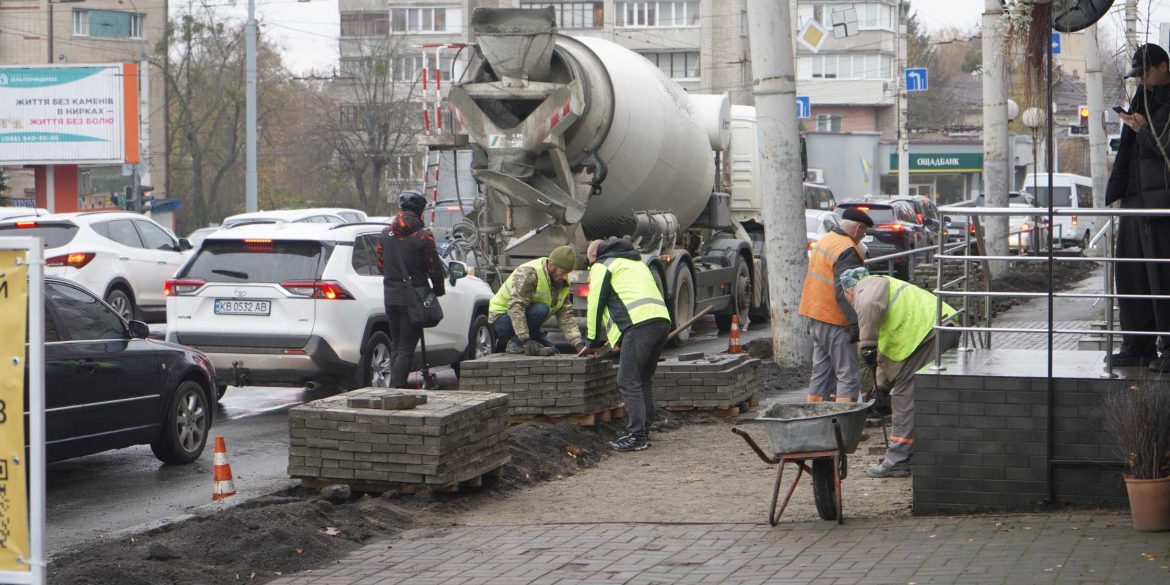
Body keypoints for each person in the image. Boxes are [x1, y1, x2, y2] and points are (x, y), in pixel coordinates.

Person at [839, 267, 960, 478]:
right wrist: (881, 388)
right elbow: (886, 354)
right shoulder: (886, 293)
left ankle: (897, 460)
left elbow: (868, 306)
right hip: (938, 328)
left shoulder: (867, 286)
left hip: (928, 333)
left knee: (904, 397)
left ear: (848, 292)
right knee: (921, 397)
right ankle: (914, 452)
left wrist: (867, 344)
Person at [1108, 43, 1170, 367]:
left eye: (1145, 72)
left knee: (1162, 277)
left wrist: (1142, 128)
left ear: (1163, 66)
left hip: (1160, 202)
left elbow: (1165, 145)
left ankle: (1167, 349)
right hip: (1134, 198)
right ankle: (1137, 345)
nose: (1141, 79)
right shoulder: (1142, 96)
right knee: (1131, 275)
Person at [578, 238, 671, 452]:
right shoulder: (636, 264)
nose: (591, 266)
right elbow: (629, 297)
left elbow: (595, 304)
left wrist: (592, 341)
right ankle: (644, 431)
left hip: (638, 326)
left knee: (627, 381)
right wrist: (620, 340)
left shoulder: (603, 265)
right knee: (643, 379)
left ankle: (637, 436)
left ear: (594, 256)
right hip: (661, 322)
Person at [797, 207, 873, 403]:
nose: (862, 237)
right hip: (837, 320)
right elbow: (845, 290)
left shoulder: (826, 240)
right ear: (858, 227)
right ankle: (846, 419)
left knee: (821, 372)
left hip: (816, 315)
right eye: (864, 232)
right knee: (848, 374)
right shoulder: (847, 250)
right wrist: (855, 323)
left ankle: (814, 415)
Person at [377, 190, 445, 388]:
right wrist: (438, 290)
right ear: (420, 212)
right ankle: (397, 389)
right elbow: (435, 269)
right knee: (406, 347)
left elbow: (381, 266)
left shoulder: (385, 234)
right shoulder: (423, 237)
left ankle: (394, 387)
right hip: (413, 297)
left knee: (397, 345)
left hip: (391, 296)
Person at [488, 246, 584, 356]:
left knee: (553, 352)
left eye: (568, 273)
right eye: (562, 272)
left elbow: (565, 316)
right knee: (541, 309)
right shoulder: (529, 273)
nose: (565, 277)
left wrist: (577, 343)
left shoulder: (561, 283)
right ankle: (515, 344)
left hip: (526, 321)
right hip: (501, 317)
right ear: (551, 265)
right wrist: (524, 340)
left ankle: (520, 341)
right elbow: (516, 308)